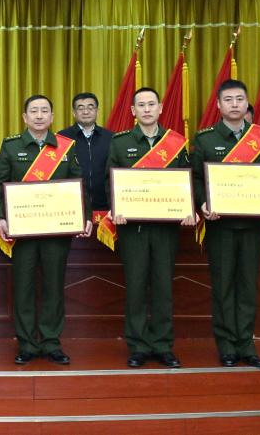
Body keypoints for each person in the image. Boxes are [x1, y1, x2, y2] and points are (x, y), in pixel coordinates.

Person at [192, 79, 260, 369]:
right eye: (228, 100)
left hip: (252, 226)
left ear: (247, 103)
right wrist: (202, 203)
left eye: (239, 99)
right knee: (223, 287)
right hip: (220, 226)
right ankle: (226, 346)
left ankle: (246, 343)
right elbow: (195, 179)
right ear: (218, 105)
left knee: (247, 287)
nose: (234, 104)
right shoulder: (205, 139)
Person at [0, 94, 91, 366]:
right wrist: (0, 217)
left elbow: (78, 184)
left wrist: (84, 215)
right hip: (21, 232)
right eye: (33, 111)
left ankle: (51, 341)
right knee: (23, 287)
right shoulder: (11, 146)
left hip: (55, 232)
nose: (39, 115)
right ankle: (26, 343)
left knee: (53, 286)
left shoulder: (66, 147)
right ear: (24, 117)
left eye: (44, 111)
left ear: (52, 116)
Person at [107, 87, 194, 369]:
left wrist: (188, 207)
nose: (146, 109)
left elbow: (186, 181)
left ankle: (163, 345)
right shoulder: (120, 143)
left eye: (151, 104)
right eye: (141, 105)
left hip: (166, 228)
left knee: (162, 287)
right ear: (133, 111)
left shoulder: (176, 143)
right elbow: (110, 181)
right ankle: (138, 346)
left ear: (160, 108)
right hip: (133, 228)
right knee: (135, 287)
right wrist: (116, 208)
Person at [58, 92, 113, 215]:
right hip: (72, 207)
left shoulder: (110, 137)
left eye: (90, 107)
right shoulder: (62, 138)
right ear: (74, 112)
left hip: (105, 207)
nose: (86, 112)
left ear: (97, 111)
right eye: (81, 108)